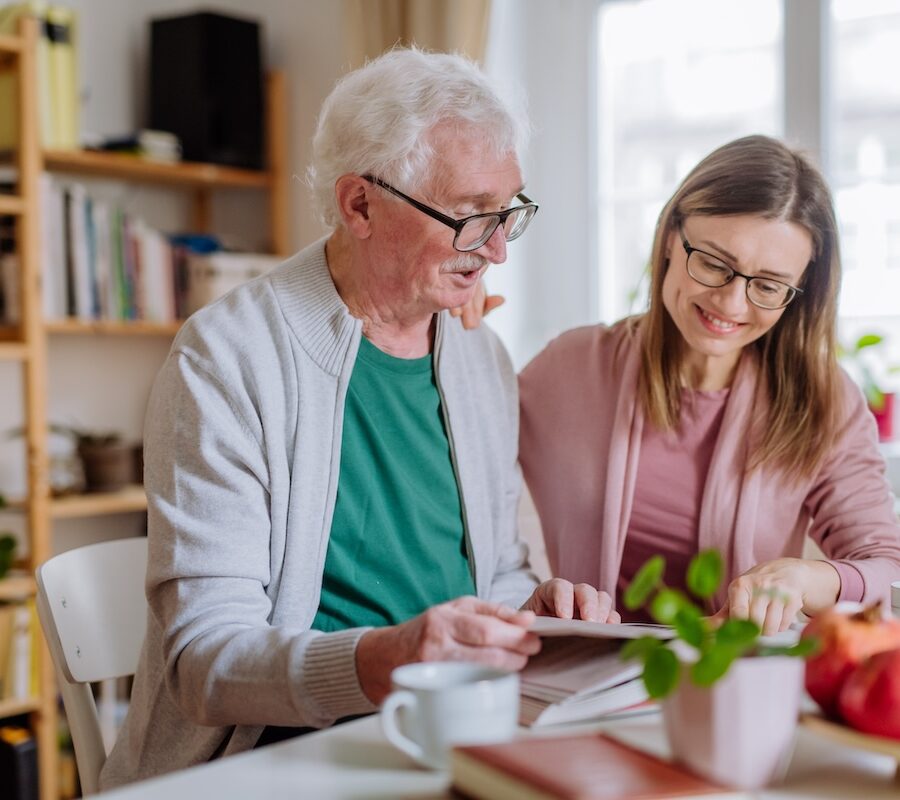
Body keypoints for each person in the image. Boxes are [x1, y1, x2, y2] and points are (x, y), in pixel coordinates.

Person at [100, 49, 615, 790]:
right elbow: (204, 664)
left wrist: (528, 615)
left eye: (509, 212)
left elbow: (494, 572)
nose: (499, 248)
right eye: (471, 217)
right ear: (360, 206)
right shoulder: (225, 357)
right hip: (272, 761)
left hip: (439, 740)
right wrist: (381, 661)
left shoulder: (480, 359)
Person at [516, 135, 900, 635]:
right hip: (582, 683)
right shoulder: (569, 369)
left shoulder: (822, 402)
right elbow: (454, 481)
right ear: (672, 237)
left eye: (767, 286)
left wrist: (807, 576)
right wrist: (451, 325)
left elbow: (887, 569)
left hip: (739, 683)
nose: (732, 304)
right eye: (716, 264)